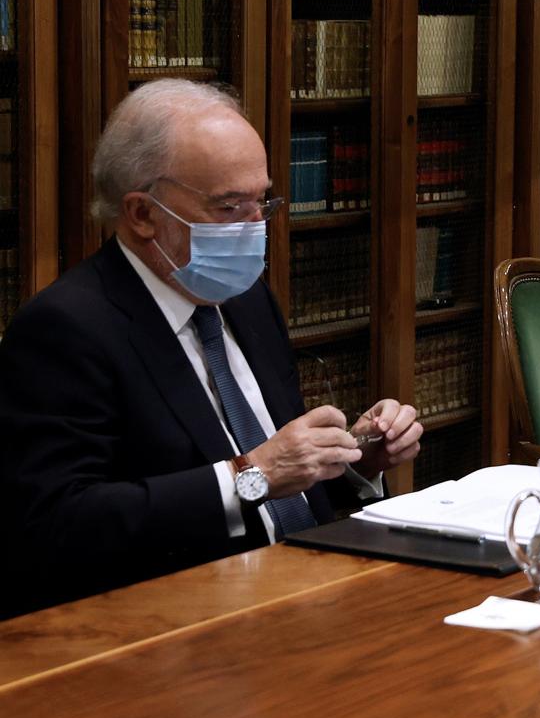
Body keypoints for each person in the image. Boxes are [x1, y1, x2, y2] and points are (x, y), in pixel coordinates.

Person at [0, 80, 423, 617]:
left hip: (310, 587)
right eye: (228, 208)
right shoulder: (67, 329)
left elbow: (284, 482)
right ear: (142, 214)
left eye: (262, 202)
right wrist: (253, 475)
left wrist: (356, 460)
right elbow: (57, 525)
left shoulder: (246, 301)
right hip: (180, 619)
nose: (255, 229)